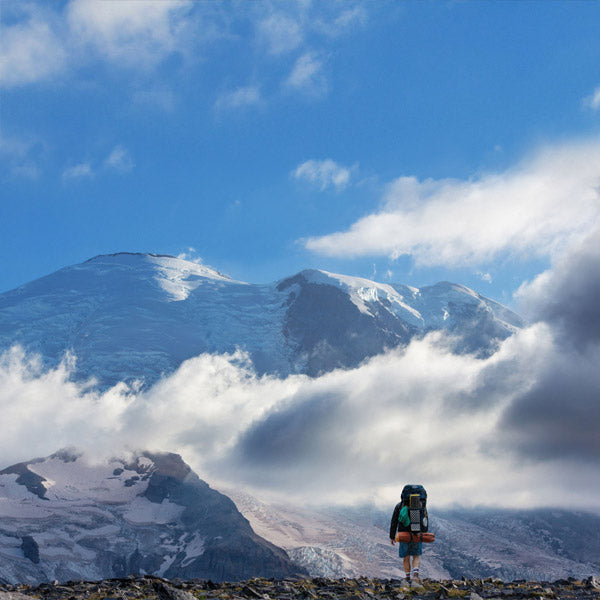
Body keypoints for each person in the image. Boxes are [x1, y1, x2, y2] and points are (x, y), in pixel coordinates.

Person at [389, 499, 422, 584]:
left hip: (403, 534)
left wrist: (392, 536)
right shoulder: (419, 504)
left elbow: (394, 521)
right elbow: (424, 519)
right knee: (416, 555)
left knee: (406, 557)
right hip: (416, 533)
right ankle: (415, 576)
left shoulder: (399, 506)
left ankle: (407, 578)